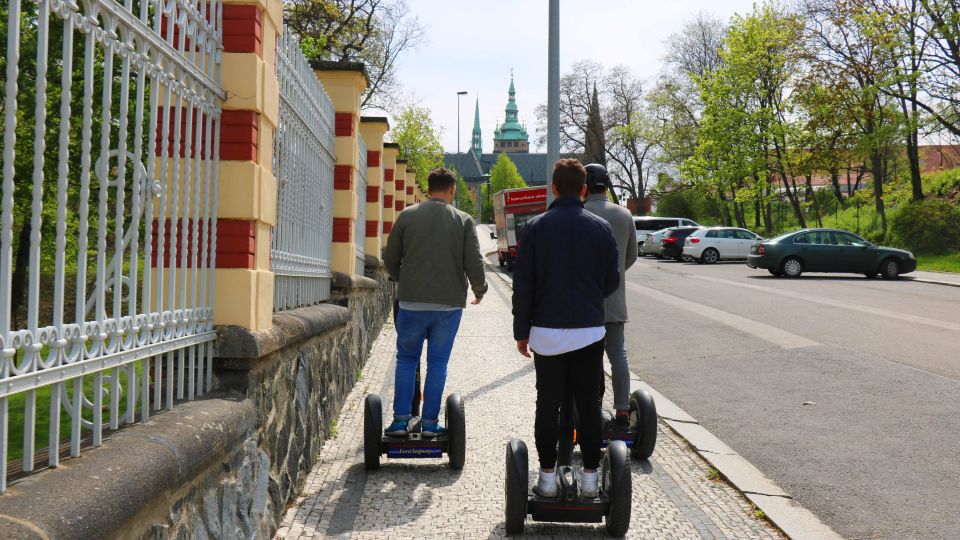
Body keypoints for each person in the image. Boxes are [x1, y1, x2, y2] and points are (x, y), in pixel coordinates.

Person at [512, 159, 620, 498]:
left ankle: (546, 477)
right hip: (588, 331)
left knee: (548, 403)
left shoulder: (534, 227)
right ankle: (589, 479)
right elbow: (611, 281)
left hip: (546, 332)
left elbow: (523, 285)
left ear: (554, 188)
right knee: (588, 404)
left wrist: (521, 331)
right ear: (584, 190)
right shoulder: (601, 228)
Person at [383, 167, 487, 438]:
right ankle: (429, 424)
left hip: (411, 303)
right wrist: (479, 289)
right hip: (448, 306)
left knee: (406, 359)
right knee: (438, 364)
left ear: (428, 189)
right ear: (452, 190)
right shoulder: (463, 220)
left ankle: (400, 420)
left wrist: (401, 279)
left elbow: (390, 258)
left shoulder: (407, 216)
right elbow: (473, 261)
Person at [582, 163, 638, 428]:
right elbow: (631, 256)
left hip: (583, 303)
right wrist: (614, 275)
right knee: (618, 354)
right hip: (615, 300)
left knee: (586, 357)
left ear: (584, 186)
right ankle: (623, 412)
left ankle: (591, 408)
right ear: (607, 184)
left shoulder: (579, 213)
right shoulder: (624, 214)